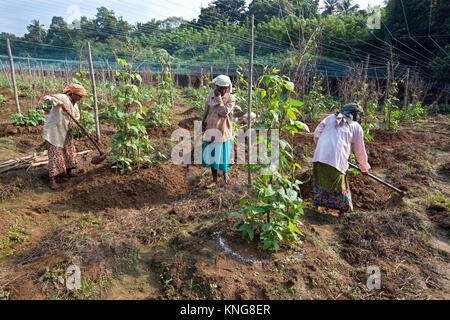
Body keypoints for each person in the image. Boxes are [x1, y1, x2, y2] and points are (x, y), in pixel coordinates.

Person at [312, 103, 371, 216]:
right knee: (338, 188)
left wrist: (323, 149)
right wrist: (364, 167)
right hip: (336, 161)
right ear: (356, 115)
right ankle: (341, 212)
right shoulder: (355, 126)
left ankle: (320, 207)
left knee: (322, 184)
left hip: (318, 157)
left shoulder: (329, 118)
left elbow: (316, 135)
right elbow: (359, 150)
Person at [42, 83, 87, 190]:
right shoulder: (63, 97)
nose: (80, 98)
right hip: (54, 131)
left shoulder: (75, 106)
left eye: (81, 97)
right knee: (55, 154)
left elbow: (74, 122)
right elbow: (46, 98)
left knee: (69, 151)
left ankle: (68, 173)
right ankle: (52, 180)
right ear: (72, 94)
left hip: (65, 131)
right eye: (78, 96)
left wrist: (81, 129)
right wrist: (59, 103)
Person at [201, 75, 235, 188]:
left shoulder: (230, 98)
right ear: (216, 87)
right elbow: (206, 111)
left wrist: (219, 99)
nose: (222, 90)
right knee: (212, 155)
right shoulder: (210, 97)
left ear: (228, 88)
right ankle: (214, 179)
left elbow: (223, 112)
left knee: (223, 155)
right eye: (220, 88)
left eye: (225, 88)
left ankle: (225, 174)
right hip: (211, 130)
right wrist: (203, 122)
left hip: (223, 131)